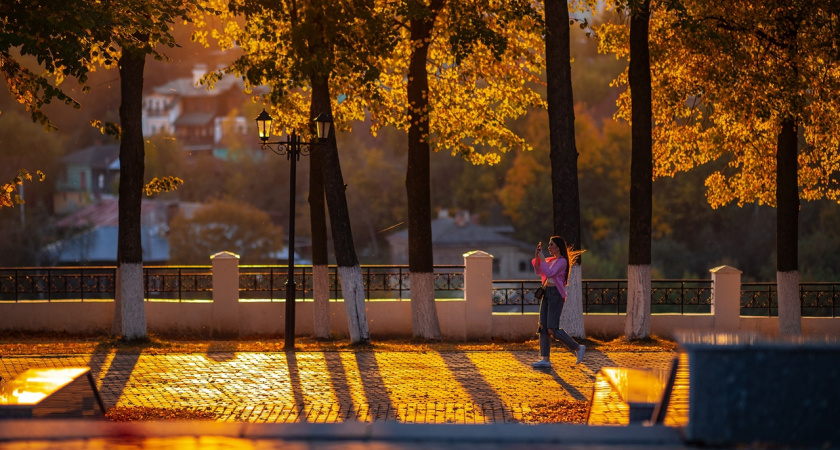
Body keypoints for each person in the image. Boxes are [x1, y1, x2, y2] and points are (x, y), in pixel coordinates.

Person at [531, 235, 585, 369]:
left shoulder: (562, 262)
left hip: (556, 295)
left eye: (551, 245)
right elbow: (539, 271)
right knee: (543, 326)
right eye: (548, 245)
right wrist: (538, 257)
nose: (549, 247)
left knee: (552, 329)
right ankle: (545, 359)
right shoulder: (551, 260)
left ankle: (578, 347)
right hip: (547, 293)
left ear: (558, 247)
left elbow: (549, 274)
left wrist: (542, 258)